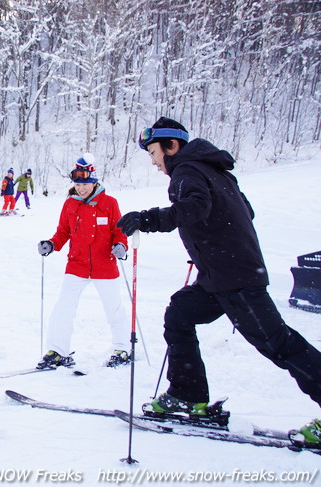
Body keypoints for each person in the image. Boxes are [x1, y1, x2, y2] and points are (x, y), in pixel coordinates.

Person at [116, 116, 321, 444]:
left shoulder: (186, 170)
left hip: (235, 278)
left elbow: (195, 208)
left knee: (278, 344)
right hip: (221, 274)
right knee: (180, 313)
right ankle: (187, 393)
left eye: (153, 152)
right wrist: (206, 244)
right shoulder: (213, 169)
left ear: (171, 146)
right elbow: (243, 212)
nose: (153, 162)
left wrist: (147, 219)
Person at [37, 154, 131, 369]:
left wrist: (121, 246)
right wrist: (51, 244)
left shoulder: (109, 203)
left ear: (95, 181)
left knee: (113, 308)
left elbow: (119, 232)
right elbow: (63, 232)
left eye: (85, 184)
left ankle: (123, 348)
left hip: (104, 265)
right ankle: (58, 351)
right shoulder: (70, 204)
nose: (81, 188)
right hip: (77, 265)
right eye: (78, 184)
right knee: (64, 307)